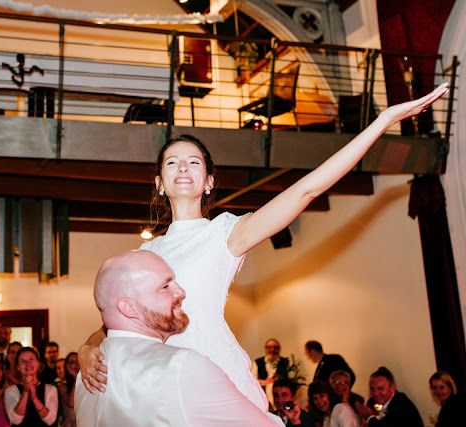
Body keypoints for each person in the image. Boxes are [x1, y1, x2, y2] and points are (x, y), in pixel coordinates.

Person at [78, 83, 450, 411]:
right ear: (160, 182)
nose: (183, 167)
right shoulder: (146, 256)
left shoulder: (225, 234)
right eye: (172, 162)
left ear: (209, 181)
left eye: (194, 162)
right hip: (162, 383)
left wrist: (381, 122)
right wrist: (87, 348)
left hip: (215, 373)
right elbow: (112, 325)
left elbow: (308, 188)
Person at [74, 249, 283, 426]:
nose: (181, 292)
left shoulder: (84, 377)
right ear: (129, 307)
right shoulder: (181, 366)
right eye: (165, 287)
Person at [4, 347, 58, 426]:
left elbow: (50, 420)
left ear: (38, 363)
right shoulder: (11, 390)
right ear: (18, 367)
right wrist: (25, 392)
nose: (28, 364)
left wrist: (34, 399)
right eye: (23, 361)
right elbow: (15, 420)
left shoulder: (50, 389)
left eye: (31, 359)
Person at [356, 366, 423, 426]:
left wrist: (370, 418)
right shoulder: (371, 403)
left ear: (392, 388)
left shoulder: (403, 406)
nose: (375, 393)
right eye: (372, 389)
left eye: (380, 388)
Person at [253, 338, 289, 408]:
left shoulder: (285, 362)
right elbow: (252, 381)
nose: (272, 350)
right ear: (266, 349)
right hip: (263, 399)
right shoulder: (257, 362)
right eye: (269, 347)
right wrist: (267, 382)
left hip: (281, 400)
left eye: (275, 347)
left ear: (279, 349)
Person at [58, 353, 78, 427]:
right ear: (67, 366)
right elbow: (71, 403)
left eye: (78, 361)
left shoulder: (89, 383)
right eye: (72, 362)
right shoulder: (62, 386)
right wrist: (76, 378)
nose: (76, 364)